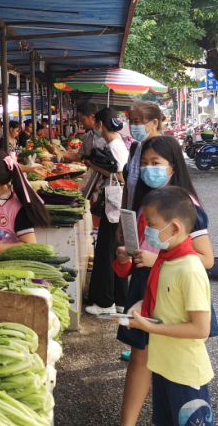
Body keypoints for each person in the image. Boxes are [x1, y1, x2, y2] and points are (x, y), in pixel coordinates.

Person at [113, 135, 216, 426]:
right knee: (141, 358)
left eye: (155, 163)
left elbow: (206, 259)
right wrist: (129, 254)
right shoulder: (149, 204)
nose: (149, 169)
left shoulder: (185, 207)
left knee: (167, 363)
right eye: (144, 164)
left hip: (172, 294)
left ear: (173, 166)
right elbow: (144, 248)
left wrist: (155, 258)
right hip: (147, 287)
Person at [127, 186, 215, 426]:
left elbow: (200, 329)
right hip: (163, 365)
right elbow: (162, 301)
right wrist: (138, 307)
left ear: (174, 228)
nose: (146, 230)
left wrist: (150, 327)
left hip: (186, 374)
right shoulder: (167, 260)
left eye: (152, 225)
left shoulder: (190, 269)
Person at [83, 108, 131, 316]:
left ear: (100, 124)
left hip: (115, 205)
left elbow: (120, 176)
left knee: (106, 251)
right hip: (116, 205)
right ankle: (120, 299)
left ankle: (105, 303)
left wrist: (95, 166)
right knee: (116, 250)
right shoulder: (116, 143)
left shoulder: (115, 145)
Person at [122, 101, 164, 212]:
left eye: (137, 121)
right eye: (130, 121)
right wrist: (123, 222)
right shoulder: (135, 148)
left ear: (154, 123)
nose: (132, 126)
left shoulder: (165, 151)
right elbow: (127, 188)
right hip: (133, 220)